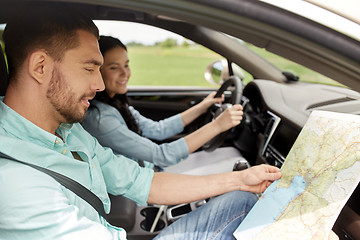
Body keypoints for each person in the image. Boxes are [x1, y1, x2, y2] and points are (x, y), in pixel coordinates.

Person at [0, 5, 287, 240]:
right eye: (90, 68)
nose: (100, 85)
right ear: (40, 67)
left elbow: (143, 182)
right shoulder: (15, 183)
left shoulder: (69, 131)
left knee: (241, 201)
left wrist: (239, 180)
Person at [81, 35, 244, 168]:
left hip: (151, 169)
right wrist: (217, 126)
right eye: (114, 68)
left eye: (127, 65)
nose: (125, 73)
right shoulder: (100, 118)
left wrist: (203, 106)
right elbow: (162, 155)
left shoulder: (115, 103)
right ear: (97, 71)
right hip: (148, 182)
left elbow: (158, 129)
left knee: (231, 155)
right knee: (234, 163)